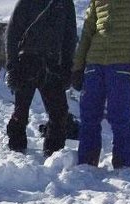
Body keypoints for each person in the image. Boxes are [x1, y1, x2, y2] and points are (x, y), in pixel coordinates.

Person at [4, 0, 77, 156]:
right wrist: (12, 66)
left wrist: (67, 67)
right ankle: (18, 149)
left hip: (48, 65)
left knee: (59, 112)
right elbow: (13, 32)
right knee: (22, 110)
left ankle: (52, 151)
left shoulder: (65, 3)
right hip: (31, 63)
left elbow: (70, 37)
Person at [71, 0, 130, 169]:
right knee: (89, 116)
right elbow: (87, 32)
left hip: (122, 65)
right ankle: (86, 165)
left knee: (120, 117)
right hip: (94, 64)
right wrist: (78, 67)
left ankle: (123, 168)